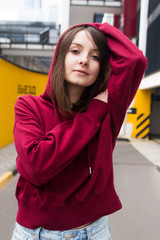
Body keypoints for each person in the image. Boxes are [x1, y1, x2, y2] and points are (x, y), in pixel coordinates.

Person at [12, 22, 147, 240]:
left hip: (93, 232)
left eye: (95, 56)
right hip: (35, 234)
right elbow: (36, 166)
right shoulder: (29, 106)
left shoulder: (110, 109)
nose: (84, 60)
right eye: (75, 51)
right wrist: (90, 116)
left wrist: (96, 27)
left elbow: (135, 60)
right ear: (59, 57)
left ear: (102, 67)